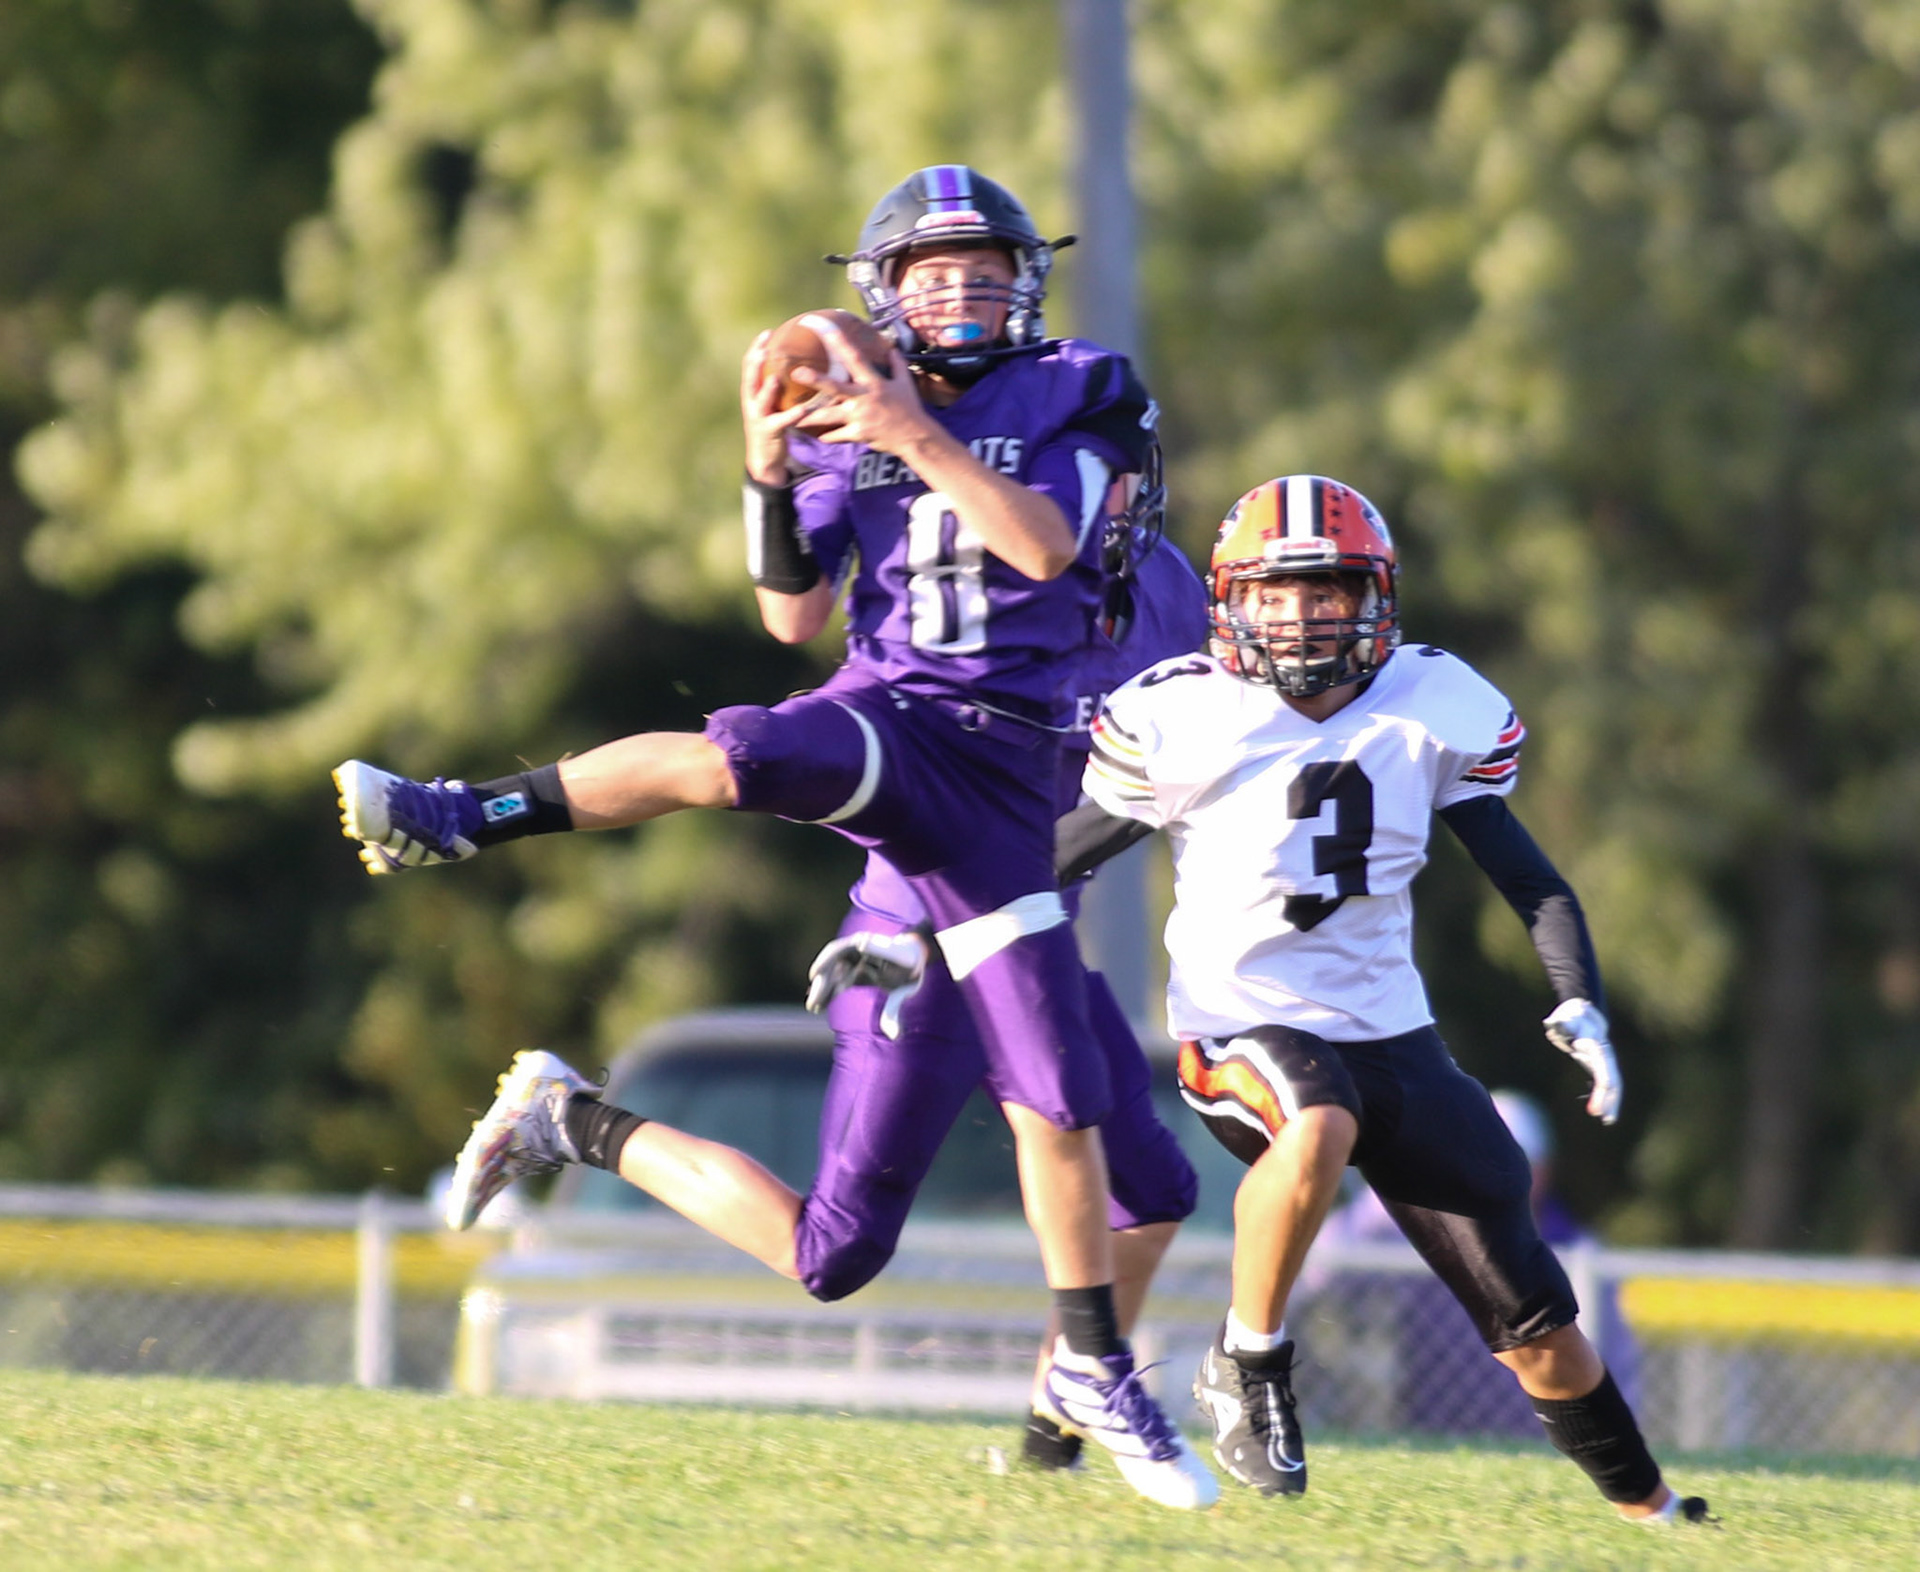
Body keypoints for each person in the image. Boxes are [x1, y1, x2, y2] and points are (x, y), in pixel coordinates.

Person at [331, 166, 1215, 1510]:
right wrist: (765, 460)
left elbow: (1047, 560)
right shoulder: (855, 412)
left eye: (987, 271)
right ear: (884, 294)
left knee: (1107, 1186)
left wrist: (913, 432)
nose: (965, 294)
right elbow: (791, 617)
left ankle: (1053, 1430)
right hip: (909, 746)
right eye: (934, 274)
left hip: (1004, 829)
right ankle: (461, 818)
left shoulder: (1108, 464)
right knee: (743, 754)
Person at [1056, 474, 1710, 1524]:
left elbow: (1531, 880)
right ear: (1232, 602)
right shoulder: (1184, 715)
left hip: (1392, 1038)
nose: (1301, 616)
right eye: (1276, 593)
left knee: (1535, 1323)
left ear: (1374, 600)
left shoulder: (1430, 706)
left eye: (1327, 591)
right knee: (1316, 1121)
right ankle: (1247, 1364)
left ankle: (1658, 1511)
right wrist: (926, 939)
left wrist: (1579, 999)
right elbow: (1059, 857)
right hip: (1238, 1026)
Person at [802, 446, 1209, 1471]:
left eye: (1115, 470)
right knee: (835, 1253)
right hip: (922, 931)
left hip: (1031, 930)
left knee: (1153, 1191)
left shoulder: (1169, 590)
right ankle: (571, 1118)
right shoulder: (971, 567)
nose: (1101, 495)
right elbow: (888, 753)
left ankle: (1047, 1449)